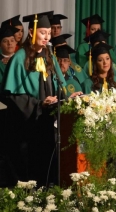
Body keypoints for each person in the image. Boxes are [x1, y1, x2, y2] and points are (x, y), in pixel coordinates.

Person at [2, 12, 82, 186]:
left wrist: (68, 97)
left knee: (48, 166)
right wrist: (39, 104)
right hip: (26, 126)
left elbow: (57, 85)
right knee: (30, 169)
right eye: (42, 32)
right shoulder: (19, 58)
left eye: (48, 33)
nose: (47, 37)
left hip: (47, 121)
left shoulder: (49, 56)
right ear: (31, 32)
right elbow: (11, 96)